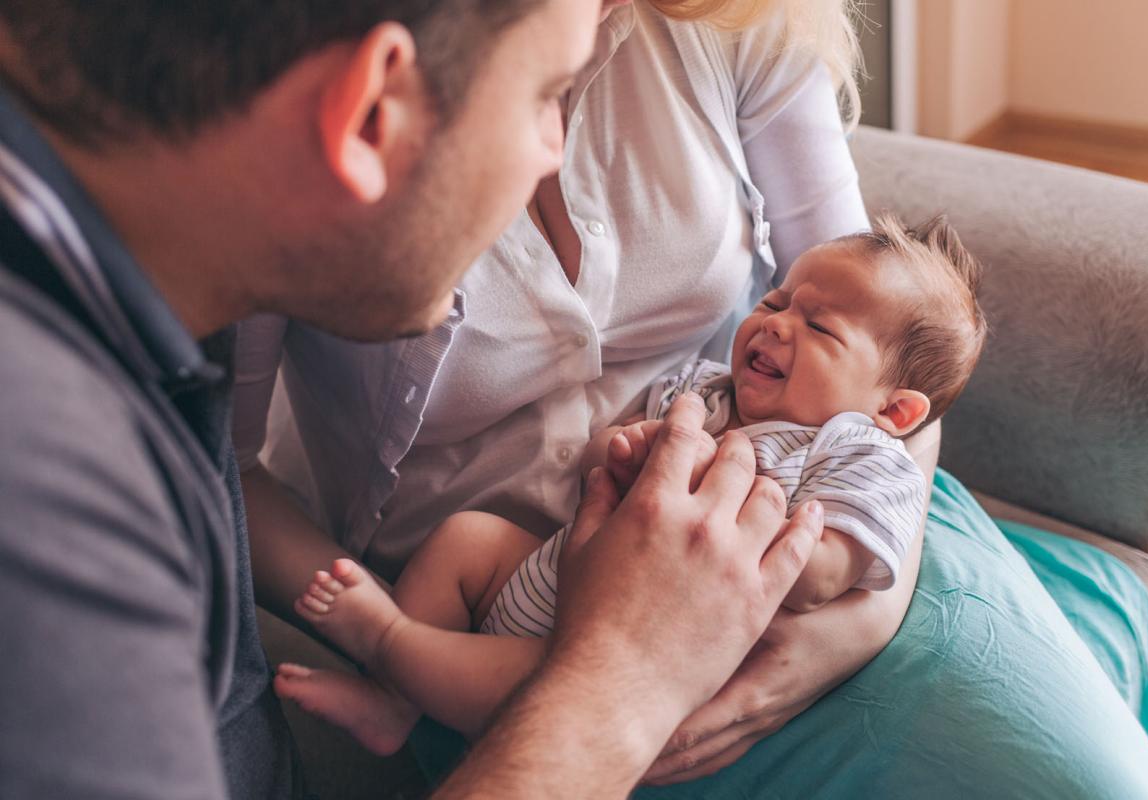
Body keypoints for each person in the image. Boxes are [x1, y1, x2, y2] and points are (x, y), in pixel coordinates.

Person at [0, 1, 821, 798]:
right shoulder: (44, 494)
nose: (556, 151)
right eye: (545, 97)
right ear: (367, 114)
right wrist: (629, 677)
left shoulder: (136, 288)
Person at [272, 213, 988, 750]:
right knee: (467, 539)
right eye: (774, 303)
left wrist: (756, 521)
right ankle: (391, 706)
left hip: (635, 639)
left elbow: (832, 570)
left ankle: (393, 642)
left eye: (820, 328)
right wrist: (623, 449)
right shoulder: (703, 392)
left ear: (893, 410)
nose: (775, 326)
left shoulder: (854, 450)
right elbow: (596, 466)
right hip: (556, 572)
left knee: (542, 692)